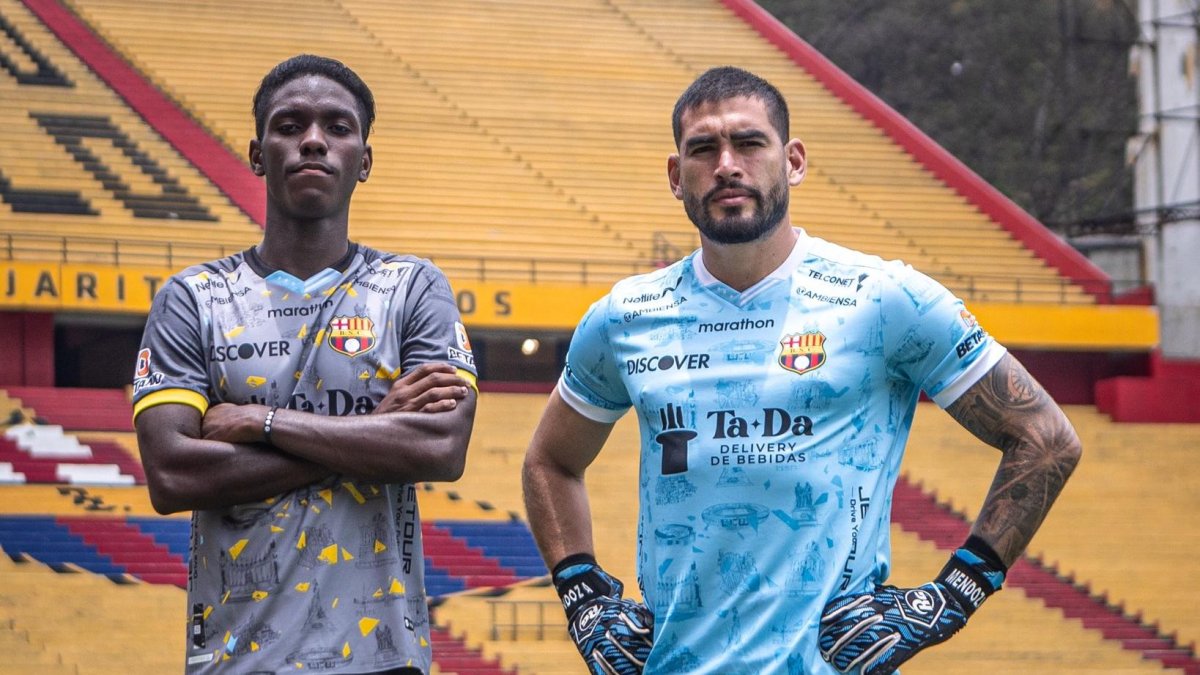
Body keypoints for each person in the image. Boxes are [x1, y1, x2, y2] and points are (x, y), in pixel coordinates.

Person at [521, 66, 1082, 674]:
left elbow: (1046, 437)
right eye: (703, 149)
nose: (726, 165)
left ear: (793, 161)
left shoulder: (884, 298)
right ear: (675, 177)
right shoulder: (625, 316)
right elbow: (550, 461)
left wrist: (952, 595)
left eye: (749, 142)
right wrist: (583, 597)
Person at [132, 54, 478, 675]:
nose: (313, 140)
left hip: (384, 660)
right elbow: (173, 475)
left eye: (337, 127)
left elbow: (440, 449)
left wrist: (261, 422)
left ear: (364, 161)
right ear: (257, 154)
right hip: (235, 662)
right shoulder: (194, 298)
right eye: (289, 125)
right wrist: (376, 429)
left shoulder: (413, 288)